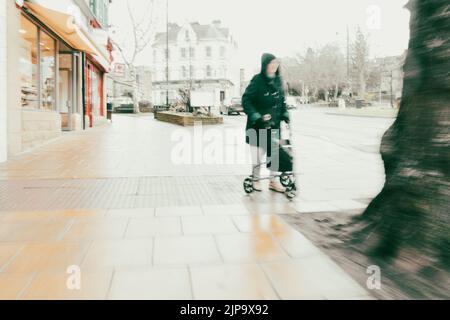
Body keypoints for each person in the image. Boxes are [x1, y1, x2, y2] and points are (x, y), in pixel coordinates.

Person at [242, 53, 290, 192]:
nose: (274, 66)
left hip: (274, 123)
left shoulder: (278, 80)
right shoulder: (257, 80)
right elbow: (246, 100)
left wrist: (284, 112)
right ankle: (255, 179)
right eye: (271, 63)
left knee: (274, 154)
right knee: (258, 154)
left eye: (276, 63)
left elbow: (281, 101)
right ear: (265, 65)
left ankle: (273, 181)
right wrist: (255, 115)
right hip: (258, 124)